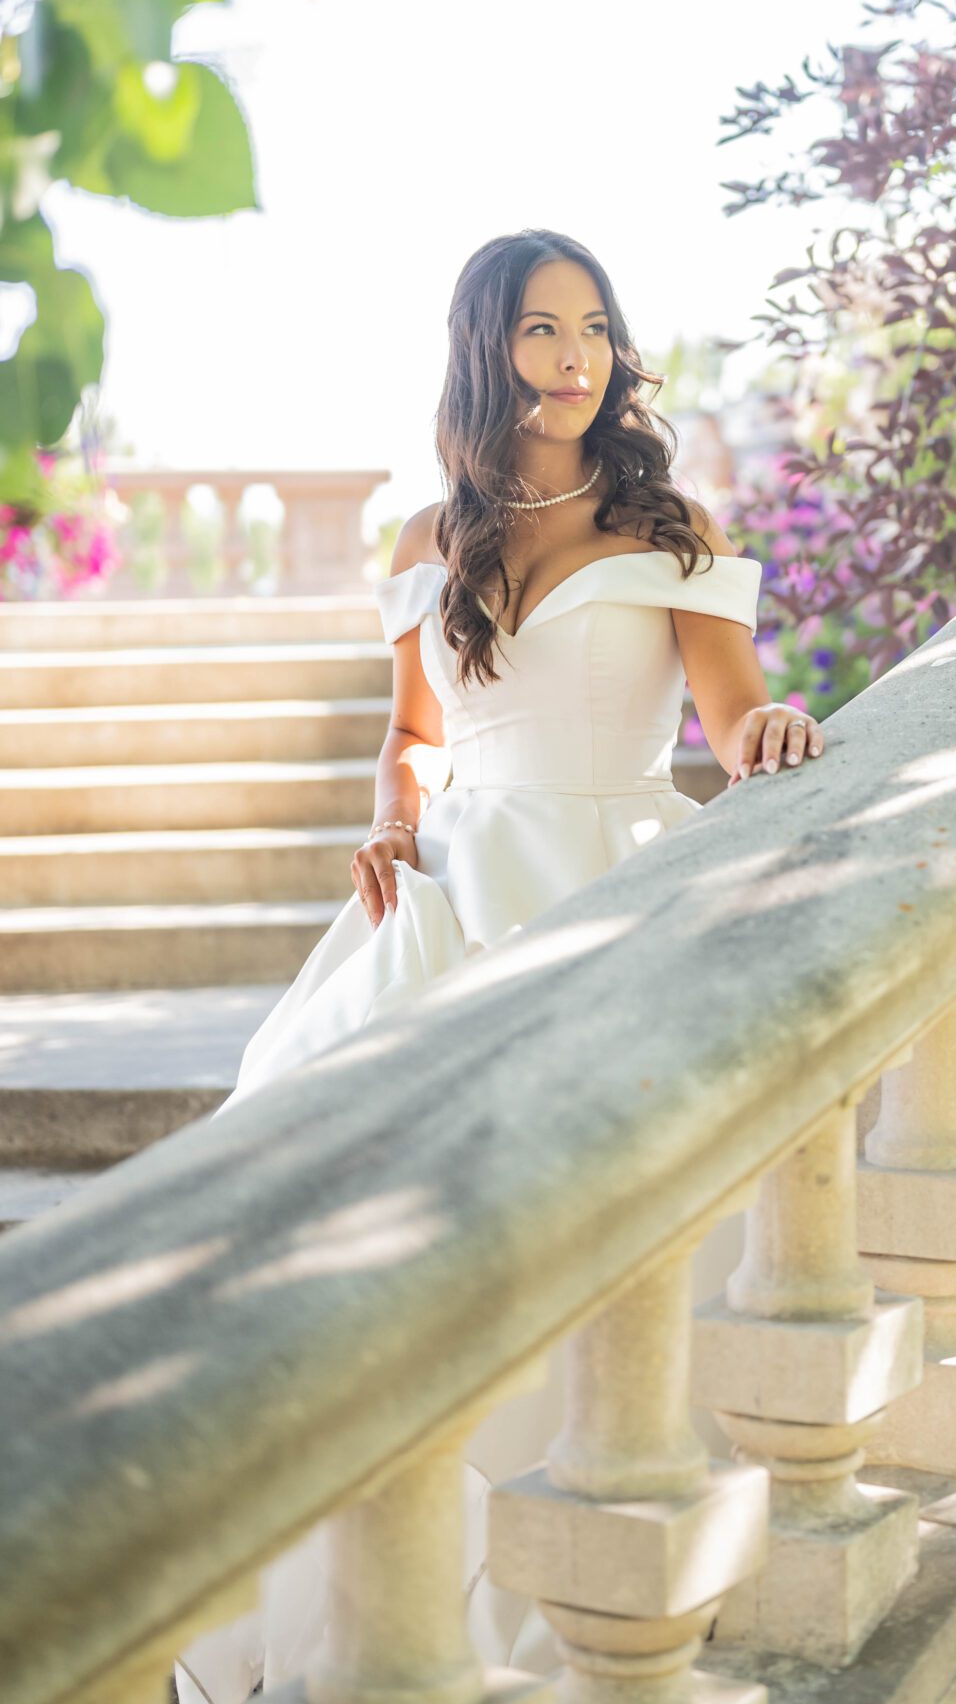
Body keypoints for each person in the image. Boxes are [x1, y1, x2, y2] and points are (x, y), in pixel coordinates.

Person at [172, 227, 824, 1703]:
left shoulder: (670, 531)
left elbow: (729, 717)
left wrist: (769, 732)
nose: (576, 357)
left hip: (610, 890)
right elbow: (414, 736)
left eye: (594, 327)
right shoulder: (430, 537)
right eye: (541, 330)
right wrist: (393, 823)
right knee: (331, 1197)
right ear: (488, 347)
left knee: (577, 1219)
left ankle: (562, 1583)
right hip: (453, 893)